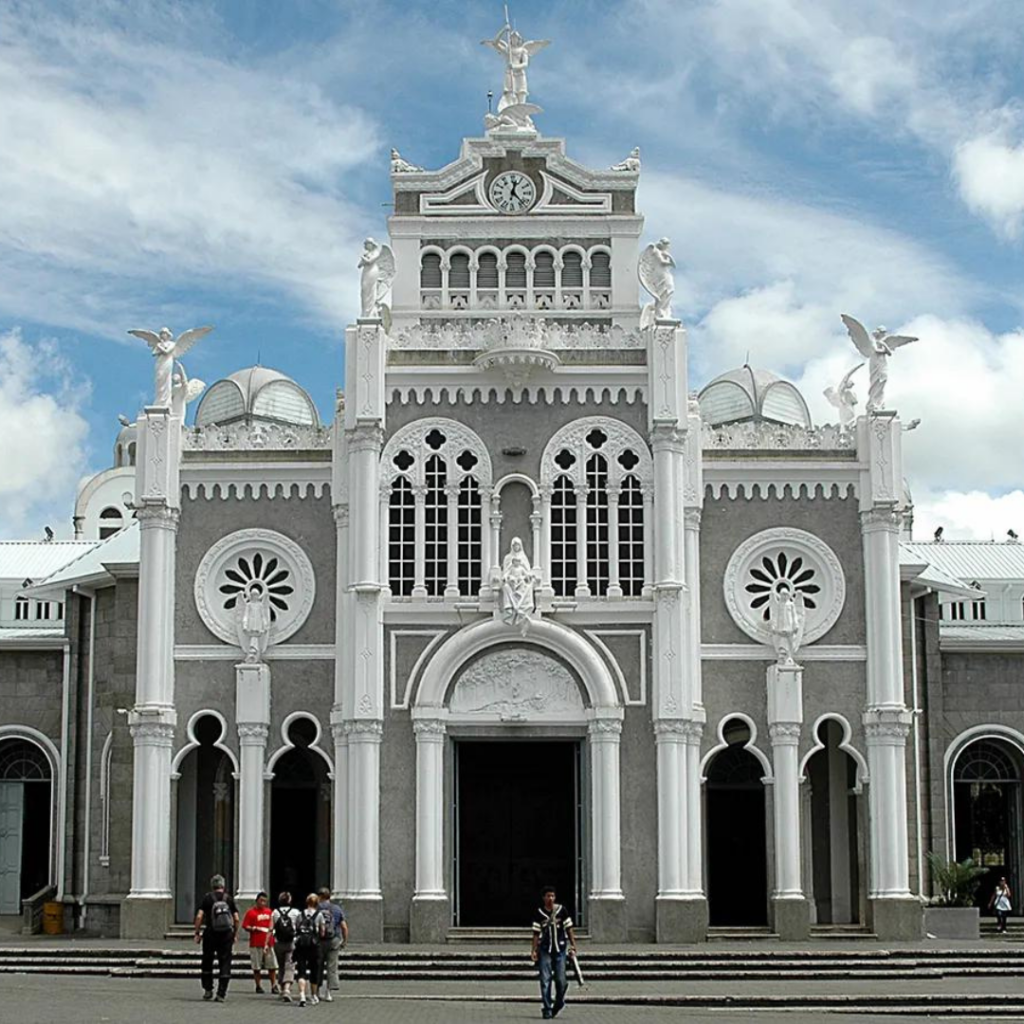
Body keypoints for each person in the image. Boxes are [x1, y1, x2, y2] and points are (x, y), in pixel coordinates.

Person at [531, 886, 576, 1020]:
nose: (550, 898)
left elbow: (569, 928)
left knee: (561, 980)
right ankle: (547, 1008)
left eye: (552, 896)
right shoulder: (539, 913)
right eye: (548, 896)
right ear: (544, 898)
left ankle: (559, 1002)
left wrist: (573, 945)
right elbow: (535, 933)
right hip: (545, 950)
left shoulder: (562, 911)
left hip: (560, 950)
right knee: (545, 980)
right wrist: (533, 950)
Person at [193, 874, 239, 1002]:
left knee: (207, 960)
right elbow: (236, 918)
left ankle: (208, 990)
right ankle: (221, 993)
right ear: (223, 885)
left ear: (212, 885)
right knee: (225, 961)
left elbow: (199, 916)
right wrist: (235, 933)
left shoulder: (207, 898)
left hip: (210, 933)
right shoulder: (228, 899)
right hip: (226, 935)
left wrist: (197, 932)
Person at [292, 892, 326, 1008]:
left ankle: (302, 995)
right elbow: (322, 932)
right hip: (314, 946)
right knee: (314, 970)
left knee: (301, 971)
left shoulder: (300, 914)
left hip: (301, 945)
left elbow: (297, 928)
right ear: (317, 903)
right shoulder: (319, 915)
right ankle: (313, 995)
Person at [241, 890, 278, 994]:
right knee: (256, 966)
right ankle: (258, 985)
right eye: (261, 900)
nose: (263, 903)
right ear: (256, 901)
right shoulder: (251, 912)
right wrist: (253, 928)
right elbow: (245, 926)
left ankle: (274, 985)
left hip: (268, 943)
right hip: (255, 943)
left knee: (272, 966)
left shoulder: (269, 912)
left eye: (265, 901)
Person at [317, 887, 349, 1002]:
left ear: (320, 896)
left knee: (318, 966)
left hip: (319, 941)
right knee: (331, 967)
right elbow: (344, 927)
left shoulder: (316, 908)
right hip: (334, 940)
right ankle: (328, 993)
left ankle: (316, 992)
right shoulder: (336, 908)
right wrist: (344, 941)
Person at [272, 891, 301, 1002]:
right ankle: (287, 989)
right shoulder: (295, 912)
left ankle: (281, 988)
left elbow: (272, 928)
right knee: (290, 965)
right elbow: (299, 927)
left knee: (281, 966)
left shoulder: (275, 912)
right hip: (291, 942)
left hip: (278, 942)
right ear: (289, 900)